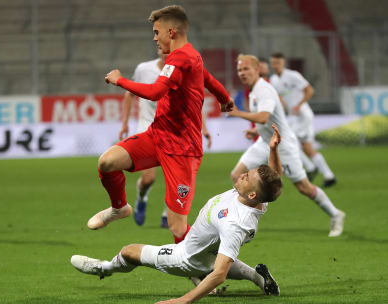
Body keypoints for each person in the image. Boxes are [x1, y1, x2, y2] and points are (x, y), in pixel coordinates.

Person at [71, 125, 284, 303]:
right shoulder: (256, 200)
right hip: (208, 252)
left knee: (129, 252)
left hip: (187, 258)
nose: (242, 176)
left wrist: (182, 301)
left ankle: (104, 268)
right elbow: (273, 183)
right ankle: (259, 278)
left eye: (246, 177)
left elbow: (219, 275)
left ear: (253, 194)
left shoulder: (235, 223)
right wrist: (273, 150)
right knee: (217, 259)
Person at [88, 5, 233, 244]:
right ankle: (119, 208)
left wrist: (119, 80)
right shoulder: (190, 55)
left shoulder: (181, 57)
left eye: (157, 32)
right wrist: (224, 98)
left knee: (178, 228)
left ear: (172, 31)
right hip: (158, 135)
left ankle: (206, 277)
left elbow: (155, 92)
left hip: (183, 150)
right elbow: (208, 77)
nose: (154, 38)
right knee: (107, 162)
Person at [228, 54, 345, 237]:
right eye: (239, 70)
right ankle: (241, 219)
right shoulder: (253, 91)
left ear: (257, 70)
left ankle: (336, 214)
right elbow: (267, 120)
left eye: (246, 69)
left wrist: (237, 113)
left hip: (282, 145)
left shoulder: (263, 89)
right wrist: (257, 131)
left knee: (303, 187)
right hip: (264, 142)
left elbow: (264, 116)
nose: (242, 73)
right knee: (236, 175)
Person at [119, 49, 170, 228]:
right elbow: (129, 93)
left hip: (172, 130)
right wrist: (125, 123)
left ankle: (167, 214)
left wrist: (203, 127)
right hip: (147, 126)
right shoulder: (144, 69)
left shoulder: (181, 71)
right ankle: (142, 197)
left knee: (174, 176)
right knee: (148, 178)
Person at [269, 52, 336, 187]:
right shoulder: (274, 80)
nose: (276, 65)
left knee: (287, 141)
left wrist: (299, 105)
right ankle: (329, 176)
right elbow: (280, 100)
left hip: (303, 115)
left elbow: (310, 90)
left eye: (278, 63)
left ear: (283, 63)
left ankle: (311, 168)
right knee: (307, 148)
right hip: (293, 117)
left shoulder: (293, 75)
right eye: (274, 63)